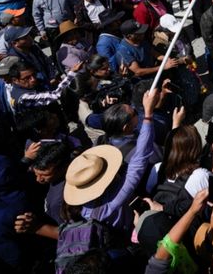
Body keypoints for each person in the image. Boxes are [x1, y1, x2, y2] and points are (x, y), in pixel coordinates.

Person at [63, 87, 159, 235]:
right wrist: (148, 115)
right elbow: (139, 160)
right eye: (134, 113)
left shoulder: (78, 209)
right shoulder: (113, 200)